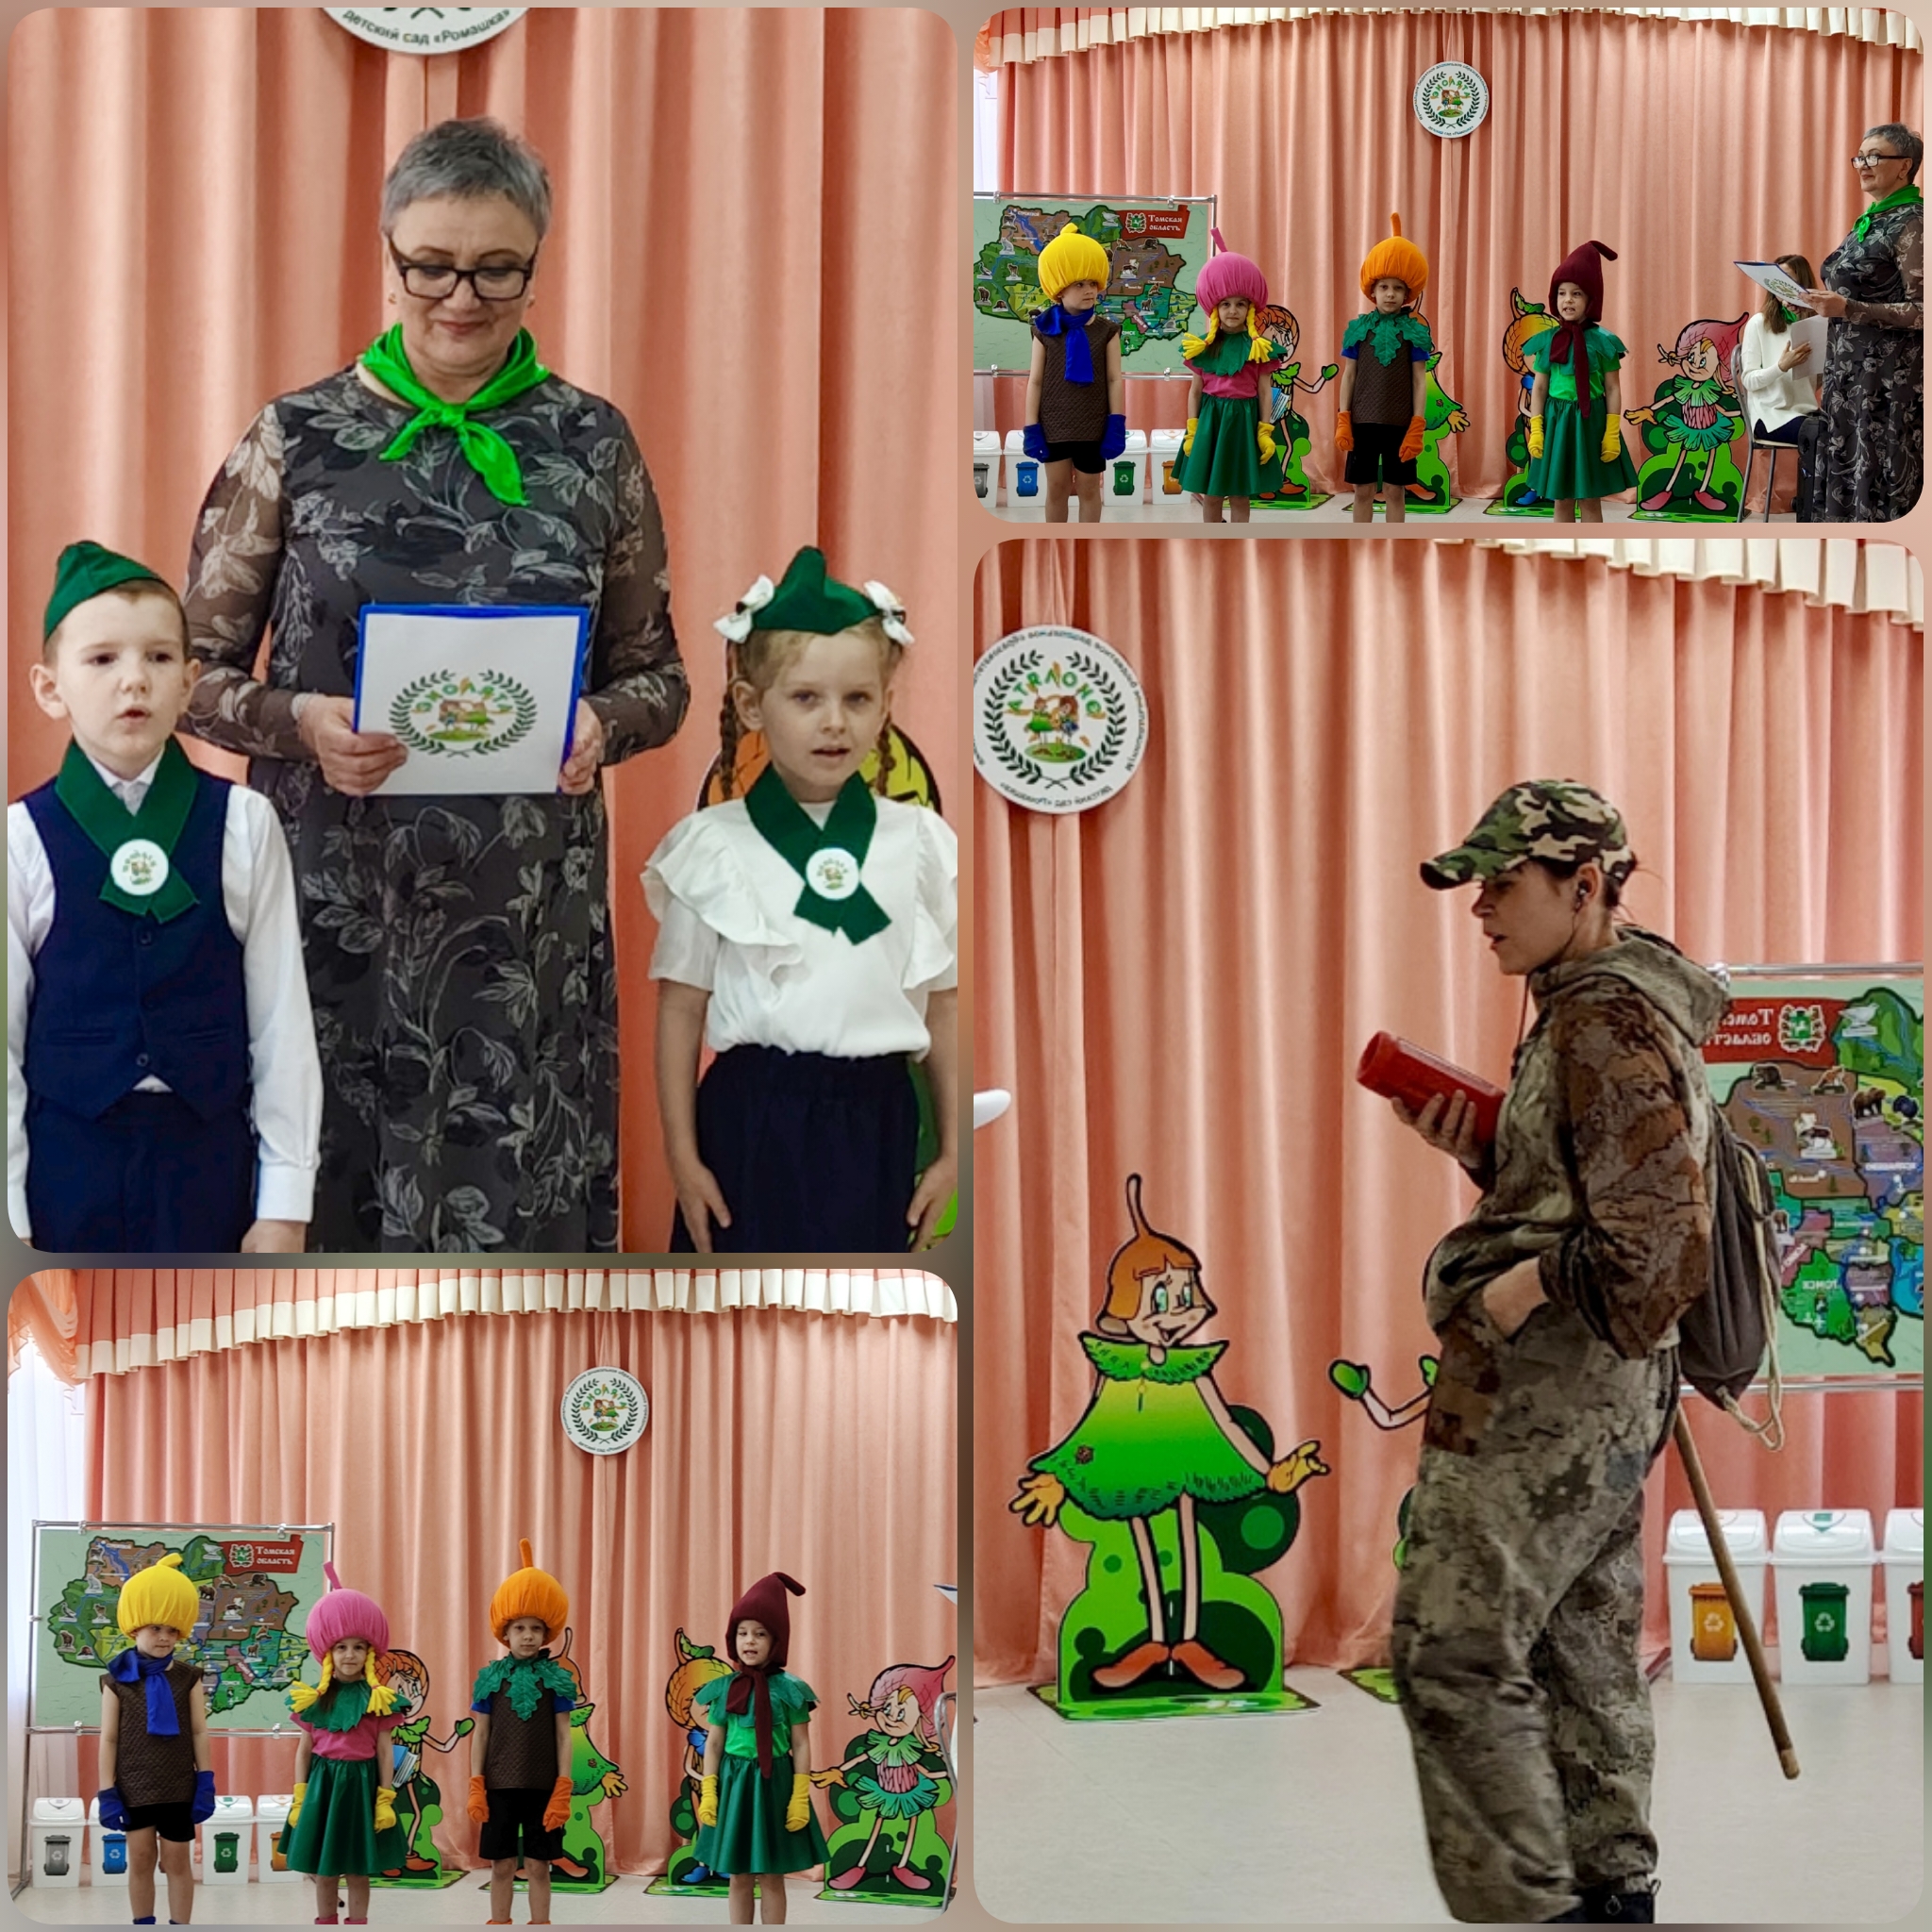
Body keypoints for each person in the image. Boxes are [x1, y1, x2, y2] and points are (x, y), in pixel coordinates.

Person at [181, 117, 689, 1252]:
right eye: (432, 265)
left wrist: (601, 722)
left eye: (496, 268)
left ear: (536, 266)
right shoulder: (295, 436)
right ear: (390, 257)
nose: (461, 297)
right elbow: (190, 674)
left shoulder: (592, 442)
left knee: (517, 1244)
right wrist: (298, 721)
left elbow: (660, 678)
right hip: (331, 912)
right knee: (327, 1226)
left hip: (526, 933)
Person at [1388, 780, 1724, 1926]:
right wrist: (1487, 1151)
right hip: (1600, 1390)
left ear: (1582, 886)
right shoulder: (1597, 1001)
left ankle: (1529, 1911)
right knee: (1580, 1646)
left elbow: (1656, 1246)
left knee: (1448, 1644)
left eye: (1500, 882)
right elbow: (1598, 1190)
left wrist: (1516, 1284)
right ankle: (1608, 1893)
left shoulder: (1599, 1020)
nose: (1479, 907)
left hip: (1551, 1391)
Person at [644, 547, 958, 1254]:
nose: (834, 723)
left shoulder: (921, 843)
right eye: (806, 698)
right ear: (752, 705)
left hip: (881, 1121)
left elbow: (942, 1004)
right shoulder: (712, 846)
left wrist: (951, 1151)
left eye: (858, 699)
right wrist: (683, 1160)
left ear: (886, 706)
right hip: (753, 1122)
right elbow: (681, 1009)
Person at [9, 541, 320, 1253]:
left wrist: (284, 1206)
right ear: (50, 688)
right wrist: (10, 1222)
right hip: (63, 1173)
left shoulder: (244, 824)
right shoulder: (20, 839)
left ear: (188, 684)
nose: (133, 681)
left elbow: (282, 1026)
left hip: (208, 1171)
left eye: (157, 658)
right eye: (101, 659)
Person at [1009, 1174, 1327, 1692]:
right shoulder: (1118, 1372)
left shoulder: (1190, 1371)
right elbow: (1093, 1430)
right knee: (1143, 1545)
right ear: (1125, 1309)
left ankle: (1191, 1641)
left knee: (1186, 1542)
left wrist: (1271, 1475)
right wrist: (1059, 1478)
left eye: (1183, 1295)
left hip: (1187, 1466)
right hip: (1133, 1470)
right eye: (1159, 1298)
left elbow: (1223, 1425)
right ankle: (1155, 1641)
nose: (1175, 1310)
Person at [1801, 124, 1924, 520]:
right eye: (1860, 157)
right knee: (1847, 475)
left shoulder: (1914, 222)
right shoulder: (1871, 219)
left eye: (1874, 156)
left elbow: (1923, 310)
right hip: (1848, 375)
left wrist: (1849, 308)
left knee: (1879, 478)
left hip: (1886, 382)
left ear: (1904, 166)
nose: (1863, 165)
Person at [692, 1573, 830, 1925]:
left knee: (771, 1875)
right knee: (738, 1874)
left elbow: (800, 1743)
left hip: (775, 1785)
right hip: (735, 1784)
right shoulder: (725, 1689)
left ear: (776, 1640)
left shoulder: (790, 1689)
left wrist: (800, 1794)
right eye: (742, 1633)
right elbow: (715, 1743)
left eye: (760, 1633)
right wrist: (709, 1790)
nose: (749, 1641)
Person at [283, 1564, 413, 1926]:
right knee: (324, 1869)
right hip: (323, 1788)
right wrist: (300, 1795)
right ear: (328, 1652)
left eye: (358, 1647)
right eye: (341, 1647)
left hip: (361, 1788)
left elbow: (384, 1752)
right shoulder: (314, 1700)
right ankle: (326, 1920)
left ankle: (358, 1922)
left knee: (357, 1869)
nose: (350, 1655)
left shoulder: (378, 1700)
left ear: (370, 1652)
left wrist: (384, 1797)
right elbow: (304, 1749)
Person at [97, 1555, 215, 1926]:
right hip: (134, 1787)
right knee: (141, 1859)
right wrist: (107, 1791)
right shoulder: (116, 1680)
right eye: (155, 1628)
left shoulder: (189, 1677)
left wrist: (205, 1779)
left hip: (179, 1786)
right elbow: (109, 1739)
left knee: (178, 1862)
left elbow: (199, 1731)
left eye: (172, 1629)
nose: (164, 1637)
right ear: (135, 1627)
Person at [468, 1541, 575, 1927]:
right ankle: (499, 1922)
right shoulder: (489, 1680)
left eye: (535, 1628)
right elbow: (481, 1735)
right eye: (519, 1628)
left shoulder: (557, 1680)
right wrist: (476, 1783)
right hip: (498, 1786)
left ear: (546, 1633)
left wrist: (563, 1786)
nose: (527, 1636)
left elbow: (563, 1736)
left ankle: (540, 1924)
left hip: (542, 1787)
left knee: (538, 1865)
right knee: (500, 1865)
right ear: (505, 1632)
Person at [1173, 230, 1287, 523]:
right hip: (1211, 422)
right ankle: (1212, 542)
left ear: (1250, 308)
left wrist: (1264, 430)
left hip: (1244, 424)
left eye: (1240, 304)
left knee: (1239, 494)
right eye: (1225, 304)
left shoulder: (1258, 349)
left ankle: (1238, 542)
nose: (1233, 311)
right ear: (1215, 309)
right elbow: (1195, 391)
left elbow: (1264, 392)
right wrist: (1193, 428)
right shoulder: (1204, 348)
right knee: (1211, 494)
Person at [812, 1657, 954, 1892]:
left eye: (902, 1713)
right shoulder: (880, 1743)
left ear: (920, 1718)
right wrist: (837, 1771)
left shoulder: (910, 1747)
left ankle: (903, 1867)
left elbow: (925, 1771)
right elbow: (860, 1759)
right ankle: (858, 1867)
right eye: (887, 1709)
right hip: (884, 1791)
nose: (891, 1717)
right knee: (877, 1827)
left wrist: (947, 1772)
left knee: (912, 1827)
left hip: (911, 1792)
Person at [1524, 242, 1639, 523]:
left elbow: (1612, 388)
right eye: (1562, 293)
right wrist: (1537, 428)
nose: (1568, 300)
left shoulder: (1604, 342)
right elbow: (1540, 387)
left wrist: (1611, 431)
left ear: (1591, 300)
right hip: (1557, 423)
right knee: (1561, 499)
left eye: (1576, 294)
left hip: (1591, 424)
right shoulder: (1548, 341)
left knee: (1589, 499)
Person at [1021, 223, 1127, 523]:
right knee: (1056, 489)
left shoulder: (1107, 330)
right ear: (1059, 288)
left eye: (1093, 282)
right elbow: (1036, 381)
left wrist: (1116, 423)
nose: (1090, 289)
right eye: (1079, 284)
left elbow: (1114, 380)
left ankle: (1087, 543)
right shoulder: (1044, 330)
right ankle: (1056, 543)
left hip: (1093, 426)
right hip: (1053, 425)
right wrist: (1031, 428)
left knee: (1089, 490)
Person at [1335, 214, 1433, 524]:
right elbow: (1349, 375)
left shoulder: (1414, 333)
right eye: (1384, 287)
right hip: (1362, 422)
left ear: (1407, 293)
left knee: (1395, 491)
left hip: (1399, 424)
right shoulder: (1358, 330)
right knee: (1362, 491)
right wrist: (1343, 417)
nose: (1390, 294)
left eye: (1397, 288)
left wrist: (1417, 423)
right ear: (1372, 290)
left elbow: (1419, 380)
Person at [1739, 257, 1822, 449]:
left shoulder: (1815, 324)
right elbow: (1748, 381)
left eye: (1788, 280)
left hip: (1807, 413)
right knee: (1822, 437)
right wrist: (1781, 367)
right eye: (1777, 279)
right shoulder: (1759, 323)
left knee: (1845, 433)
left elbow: (1814, 383)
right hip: (1770, 416)